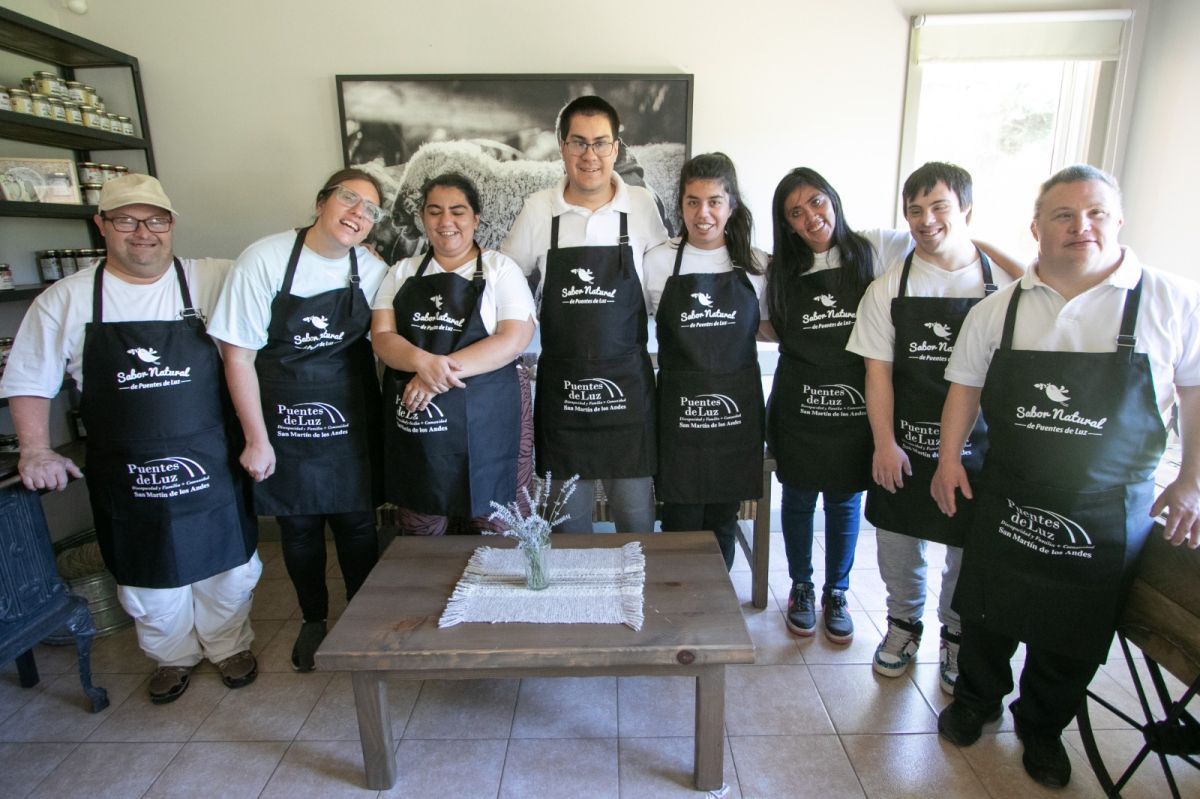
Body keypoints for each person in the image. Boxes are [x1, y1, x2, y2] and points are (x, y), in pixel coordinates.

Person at [932, 165, 1200, 789]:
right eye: (1064, 215)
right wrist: (948, 460)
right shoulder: (998, 310)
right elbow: (963, 389)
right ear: (1036, 228)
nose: (1082, 226)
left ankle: (1043, 725)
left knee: (1075, 629)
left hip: (1107, 508)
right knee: (988, 612)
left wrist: (1192, 479)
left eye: (1097, 213)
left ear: (1118, 220)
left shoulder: (1171, 301)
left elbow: (1194, 394)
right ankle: (975, 700)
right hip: (1010, 493)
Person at [0, 174, 261, 704]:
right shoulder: (66, 299)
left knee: (230, 569)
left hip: (210, 458)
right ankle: (172, 657)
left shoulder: (212, 278)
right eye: (126, 220)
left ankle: (229, 646)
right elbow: (29, 377)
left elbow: (276, 275)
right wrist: (36, 448)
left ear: (172, 225)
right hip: (127, 469)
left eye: (156, 220)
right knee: (148, 579)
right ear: (102, 225)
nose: (143, 232)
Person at [846, 162, 1020, 690]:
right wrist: (884, 443)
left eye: (939, 207)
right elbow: (877, 373)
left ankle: (956, 632)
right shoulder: (888, 288)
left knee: (967, 548)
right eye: (915, 210)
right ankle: (902, 624)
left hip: (980, 448)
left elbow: (1047, 283)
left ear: (966, 209)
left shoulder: (1003, 285)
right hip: (904, 442)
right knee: (898, 541)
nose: (926, 220)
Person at [208, 168, 389, 673]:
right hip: (283, 425)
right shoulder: (265, 258)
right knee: (299, 526)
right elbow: (237, 356)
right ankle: (314, 619)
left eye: (371, 209)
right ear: (320, 202)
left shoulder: (371, 270)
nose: (358, 213)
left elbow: (389, 340)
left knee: (358, 526)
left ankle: (360, 619)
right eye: (349, 199)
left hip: (351, 422)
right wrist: (256, 439)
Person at [502, 95, 668, 532]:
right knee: (566, 528)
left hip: (627, 392)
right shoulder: (539, 209)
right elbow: (505, 281)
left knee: (637, 522)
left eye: (600, 143)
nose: (589, 155)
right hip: (564, 394)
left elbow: (663, 284)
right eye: (578, 142)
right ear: (562, 146)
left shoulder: (642, 205)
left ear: (616, 147)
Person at [764, 168, 914, 643]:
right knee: (798, 499)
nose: (811, 216)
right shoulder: (779, 270)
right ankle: (801, 587)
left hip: (856, 405)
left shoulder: (874, 247)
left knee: (844, 501)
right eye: (796, 212)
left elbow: (940, 243)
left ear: (833, 199)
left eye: (816, 201)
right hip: (799, 403)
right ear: (787, 224)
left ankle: (837, 592)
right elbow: (766, 325)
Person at [371, 172, 536, 533]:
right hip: (421, 420)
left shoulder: (501, 269)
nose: (446, 221)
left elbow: (513, 339)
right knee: (423, 518)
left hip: (490, 415)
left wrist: (433, 378)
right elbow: (382, 336)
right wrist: (423, 363)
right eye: (435, 211)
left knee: (496, 520)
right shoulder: (401, 272)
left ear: (475, 218)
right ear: (422, 218)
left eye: (457, 211)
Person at [642, 153, 766, 569]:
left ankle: (716, 603)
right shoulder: (658, 261)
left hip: (734, 417)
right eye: (693, 202)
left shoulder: (757, 265)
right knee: (679, 519)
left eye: (714, 201)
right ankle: (679, 599)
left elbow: (770, 329)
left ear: (732, 205)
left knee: (722, 521)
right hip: (680, 417)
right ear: (680, 205)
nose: (703, 213)